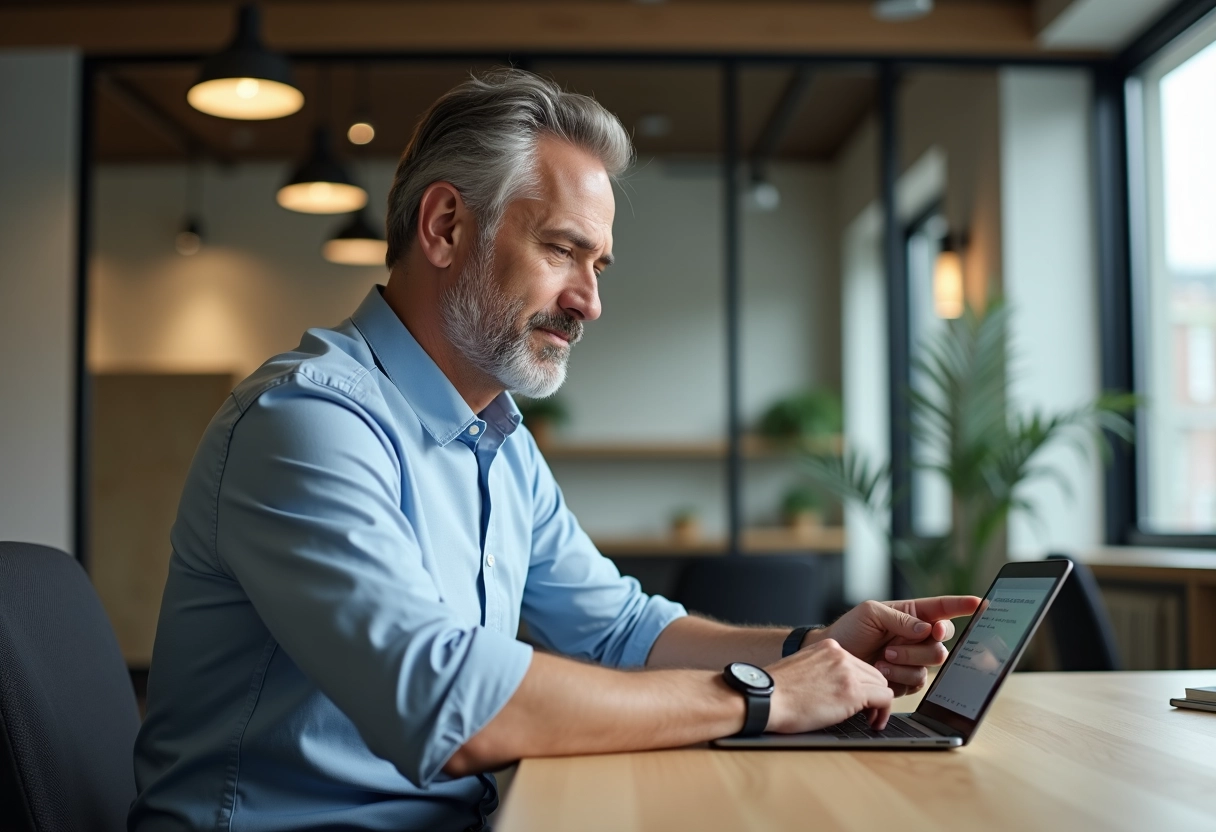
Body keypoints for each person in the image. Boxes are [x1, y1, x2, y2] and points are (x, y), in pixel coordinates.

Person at [129, 69, 980, 832]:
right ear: (445, 226)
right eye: (564, 250)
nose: (589, 302)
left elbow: (620, 630)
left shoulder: (499, 441)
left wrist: (812, 650)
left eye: (598, 264)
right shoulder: (306, 423)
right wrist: (762, 698)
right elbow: (449, 705)